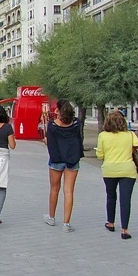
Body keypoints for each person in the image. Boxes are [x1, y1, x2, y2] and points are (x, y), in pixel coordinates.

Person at [97, 110, 138, 240]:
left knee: (111, 196)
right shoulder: (130, 135)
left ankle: (110, 223)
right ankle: (125, 230)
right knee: (125, 200)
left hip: (109, 170)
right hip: (128, 170)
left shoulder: (103, 136)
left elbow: (100, 155)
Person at [43, 99, 83, 232]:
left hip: (57, 159)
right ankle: (66, 223)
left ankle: (52, 217)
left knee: (54, 189)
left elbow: (50, 144)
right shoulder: (76, 123)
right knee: (69, 190)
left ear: (58, 110)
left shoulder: (52, 125)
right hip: (72, 159)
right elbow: (78, 139)